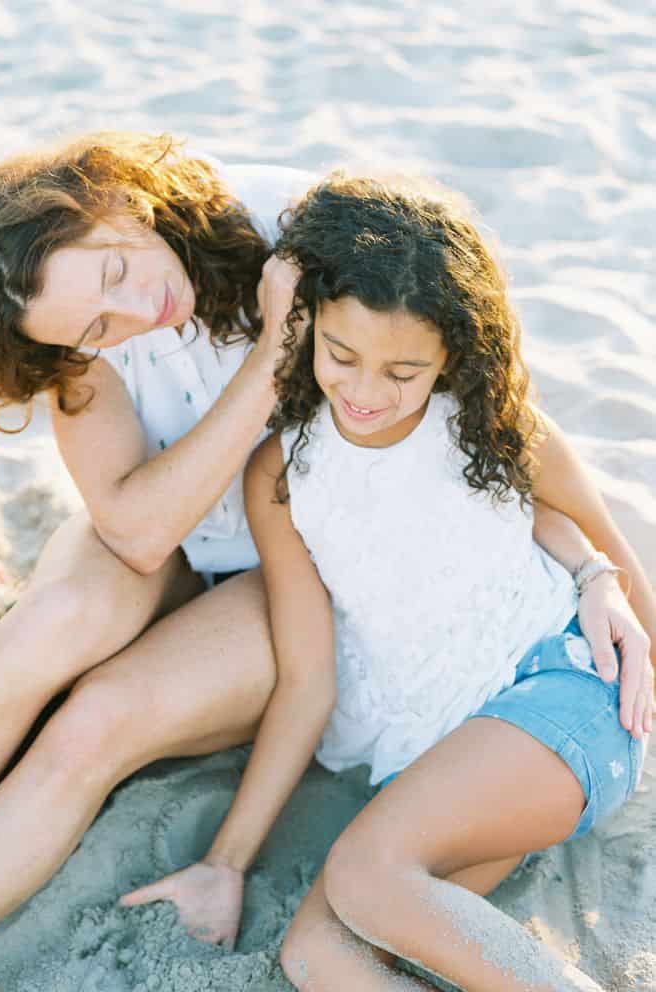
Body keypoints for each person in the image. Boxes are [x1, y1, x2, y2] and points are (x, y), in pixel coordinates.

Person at [0, 134, 652, 986]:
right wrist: (271, 356)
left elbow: (502, 439)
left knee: (94, 723)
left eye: (115, 275)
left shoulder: (303, 236)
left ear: (111, 196)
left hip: (306, 557)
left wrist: (604, 577)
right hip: (176, 520)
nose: (134, 314)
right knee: (61, 621)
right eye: (94, 329)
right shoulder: (73, 331)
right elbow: (137, 530)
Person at [140, 172, 654, 990]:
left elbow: (612, 553)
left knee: (365, 874)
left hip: (563, 695)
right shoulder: (282, 473)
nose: (367, 392)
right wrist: (226, 863)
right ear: (305, 325)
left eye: (404, 372)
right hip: (449, 763)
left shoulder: (495, 425)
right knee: (317, 954)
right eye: (342, 356)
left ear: (453, 351)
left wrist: (602, 583)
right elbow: (308, 683)